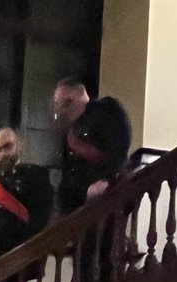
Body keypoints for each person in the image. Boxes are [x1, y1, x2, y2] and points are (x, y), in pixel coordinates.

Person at [53, 78, 131, 214]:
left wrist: (108, 180)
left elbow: (118, 148)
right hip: (77, 205)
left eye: (68, 102)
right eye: (59, 105)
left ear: (80, 93)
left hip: (106, 197)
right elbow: (68, 171)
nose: (63, 110)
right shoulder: (69, 131)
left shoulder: (106, 111)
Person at [0, 127, 54, 257]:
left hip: (23, 256)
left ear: (19, 146)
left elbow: (40, 218)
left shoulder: (35, 176)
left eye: (8, 146)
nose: (3, 153)